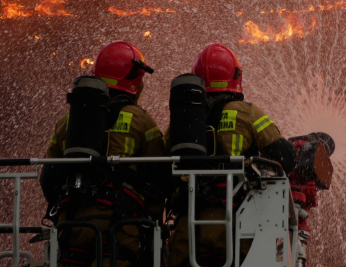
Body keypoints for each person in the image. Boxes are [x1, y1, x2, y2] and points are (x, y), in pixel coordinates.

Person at [168, 42, 296, 267]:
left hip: (187, 234)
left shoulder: (180, 122)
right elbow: (286, 156)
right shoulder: (247, 112)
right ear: (235, 76)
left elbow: (160, 166)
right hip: (239, 229)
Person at [40, 41, 166, 267]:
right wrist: (151, 222)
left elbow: (49, 177)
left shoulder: (67, 122)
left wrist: (65, 206)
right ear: (134, 79)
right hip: (120, 226)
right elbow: (158, 178)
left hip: (71, 224)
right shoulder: (141, 121)